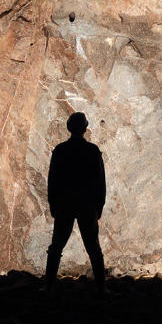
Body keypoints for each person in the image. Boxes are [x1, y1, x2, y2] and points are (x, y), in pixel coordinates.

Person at [44, 111, 107, 294]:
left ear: (68, 127)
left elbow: (53, 181)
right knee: (94, 247)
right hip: (87, 204)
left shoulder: (60, 151)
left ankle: (48, 287)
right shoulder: (93, 151)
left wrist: (53, 205)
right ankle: (102, 288)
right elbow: (100, 182)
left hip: (65, 203)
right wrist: (98, 206)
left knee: (56, 246)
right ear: (86, 128)